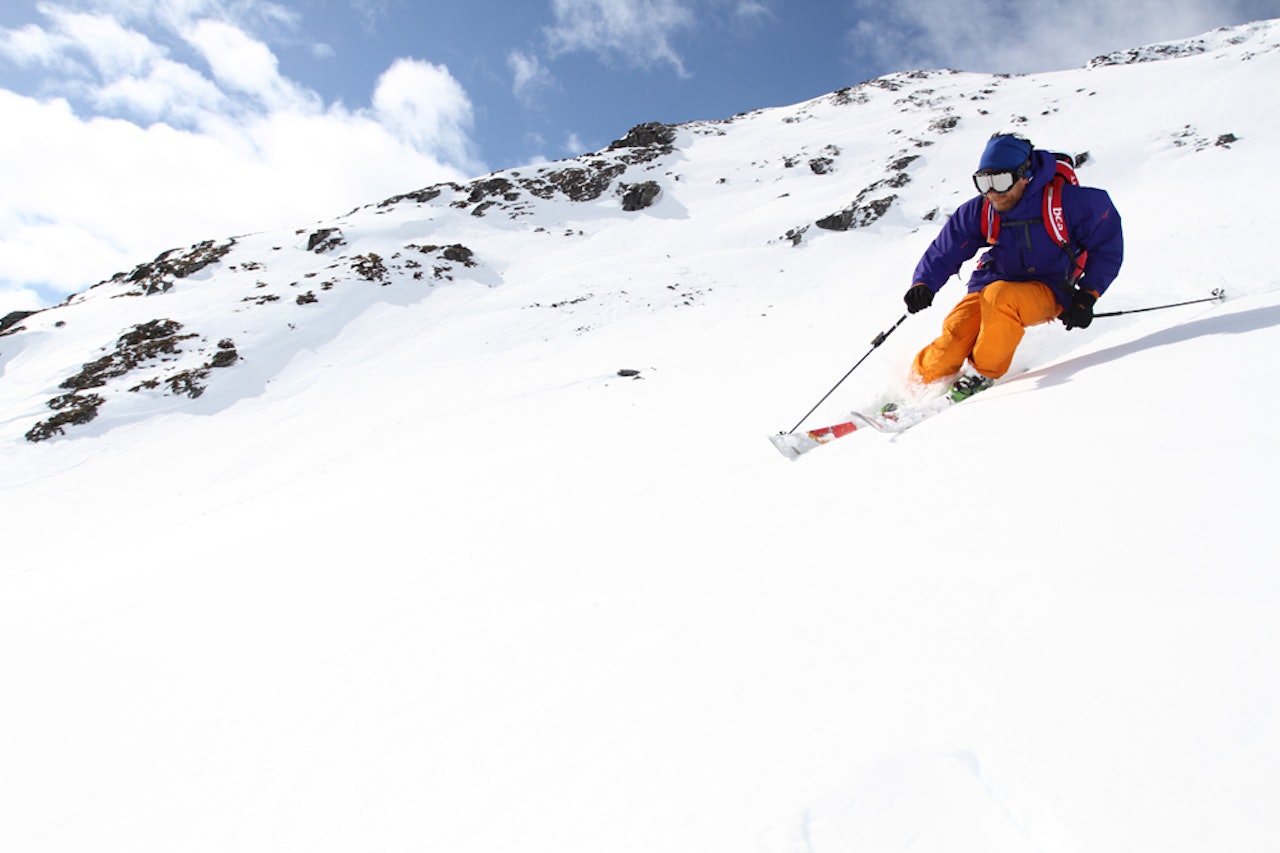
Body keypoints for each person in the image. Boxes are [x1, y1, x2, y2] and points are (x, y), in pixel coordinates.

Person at [903, 133, 1124, 400]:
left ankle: (982, 374)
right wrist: (923, 283)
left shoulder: (1074, 203)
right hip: (993, 280)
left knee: (1001, 299)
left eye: (1000, 181)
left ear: (1025, 175)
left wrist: (1088, 295)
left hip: (1049, 287)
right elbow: (948, 248)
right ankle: (918, 386)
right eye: (984, 182)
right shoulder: (982, 210)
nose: (993, 192)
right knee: (956, 333)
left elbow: (1107, 247)